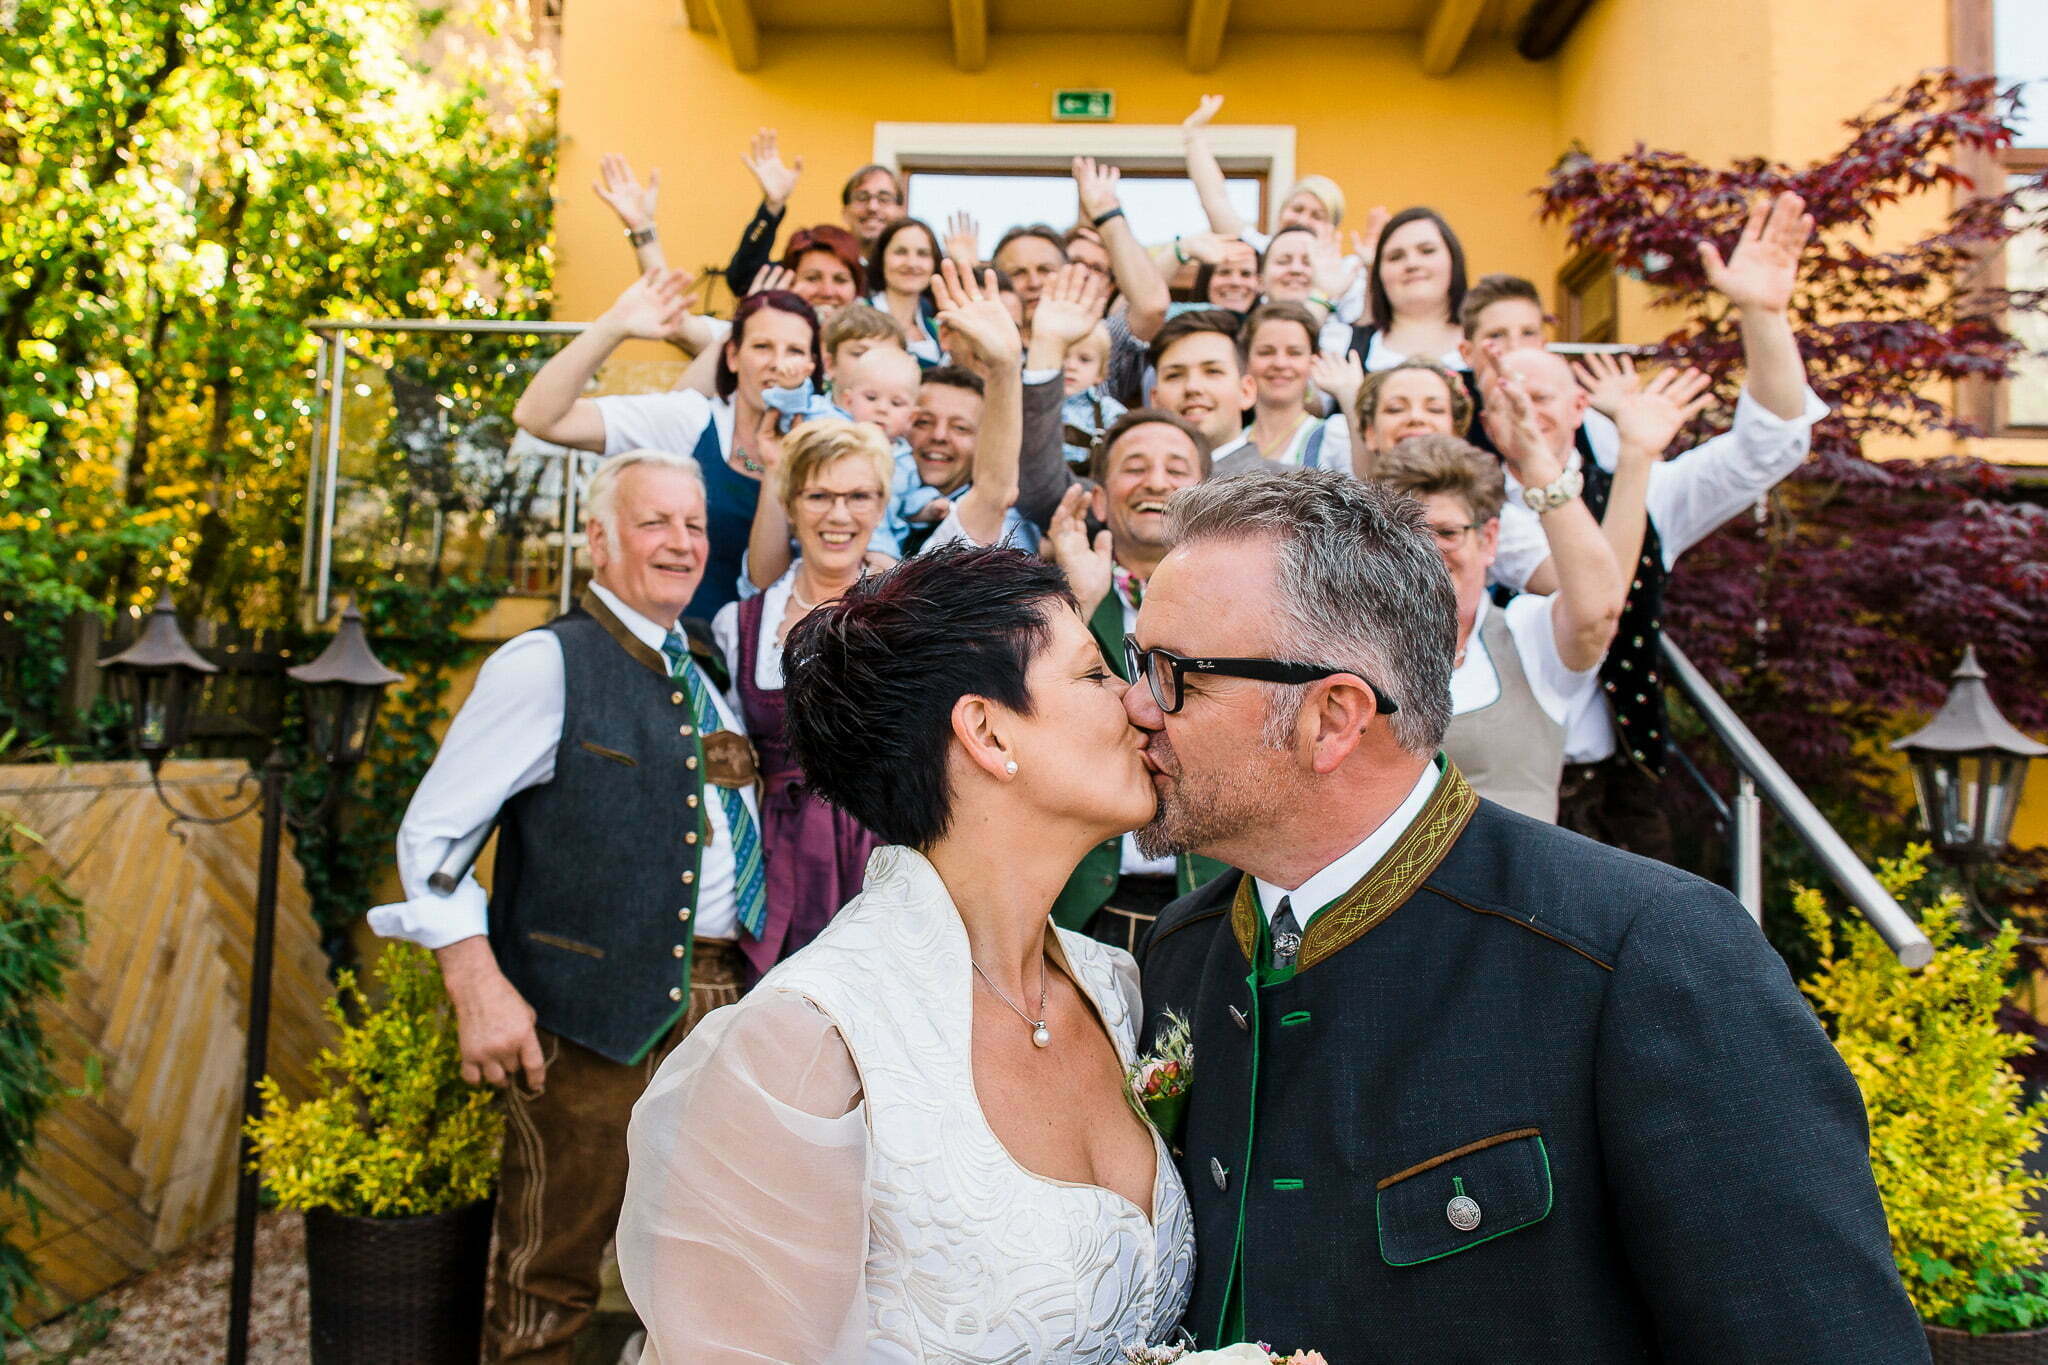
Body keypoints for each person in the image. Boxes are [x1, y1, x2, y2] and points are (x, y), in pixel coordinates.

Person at [1128, 467, 1926, 1359]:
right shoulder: (1183, 948)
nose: (1134, 708)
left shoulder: (1638, 953)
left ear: (1333, 717)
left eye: (1172, 677)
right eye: (1137, 664)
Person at [617, 544, 1195, 1361]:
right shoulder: (811, 1049)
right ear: (988, 731)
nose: (1142, 704)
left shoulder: (1115, 989)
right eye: (1096, 674)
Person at [372, 451, 763, 1363]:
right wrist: (476, 982)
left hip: (717, 1009)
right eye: (655, 521)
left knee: (708, 1272)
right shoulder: (543, 662)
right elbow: (430, 844)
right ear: (597, 537)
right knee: (549, 1275)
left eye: (695, 525)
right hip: (586, 1022)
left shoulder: (700, 670)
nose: (681, 542)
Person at [1487, 192, 1826, 862]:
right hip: (1500, 791)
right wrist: (1636, 455)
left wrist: (1763, 315)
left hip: (1623, 786)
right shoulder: (1474, 509)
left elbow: (1771, 446)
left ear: (1581, 404)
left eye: (1541, 395)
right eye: (1504, 396)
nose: (1524, 410)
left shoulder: (1646, 487)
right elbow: (1584, 590)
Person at [513, 275, 820, 622]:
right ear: (732, 356)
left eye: (794, 350)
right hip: (679, 651)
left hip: (775, 658)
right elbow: (539, 417)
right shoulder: (690, 419)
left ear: (812, 365)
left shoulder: (826, 439)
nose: (778, 363)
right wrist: (613, 326)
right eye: (762, 347)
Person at [1039, 410, 1231, 950]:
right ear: (1098, 500)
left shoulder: (1249, 607)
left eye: (1177, 468)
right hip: (1080, 906)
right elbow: (1033, 725)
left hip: (1218, 899)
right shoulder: (1053, 600)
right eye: (1135, 467)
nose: (1155, 482)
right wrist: (1076, 602)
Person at [1372, 430, 1623, 820]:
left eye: (1447, 533)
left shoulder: (1528, 633)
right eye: (1410, 534)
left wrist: (1538, 463)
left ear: (1488, 540)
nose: (1428, 550)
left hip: (1512, 879)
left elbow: (1598, 610)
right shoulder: (1352, 642)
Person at [714, 419, 889, 975]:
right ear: (789, 506)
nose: (839, 516)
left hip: (886, 856)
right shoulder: (738, 624)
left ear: (881, 505)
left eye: (857, 496)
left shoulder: (912, 618)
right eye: (819, 496)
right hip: (773, 861)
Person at [723, 128, 903, 297]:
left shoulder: (914, 273)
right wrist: (772, 207)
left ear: (900, 211)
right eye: (862, 197)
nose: (872, 207)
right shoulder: (818, 261)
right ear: (845, 212)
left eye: (884, 198)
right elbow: (743, 278)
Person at [1345, 206, 1469, 372]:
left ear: (1453, 259)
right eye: (1395, 257)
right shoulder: (1347, 344)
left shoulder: (1488, 337)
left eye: (1427, 251)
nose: (1412, 264)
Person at [1220, 301, 1336, 471]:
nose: (1280, 363)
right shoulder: (1232, 442)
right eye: (1266, 352)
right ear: (1245, 361)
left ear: (1312, 361)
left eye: (1294, 353)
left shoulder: (1334, 437)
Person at [1147, 309, 1256, 458]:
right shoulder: (1125, 481)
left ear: (1246, 391)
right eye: (1174, 375)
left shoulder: (1283, 481)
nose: (1192, 387)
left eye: (1213, 371)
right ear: (1155, 399)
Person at [867, 217, 945, 365]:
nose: (912, 263)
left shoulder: (937, 329)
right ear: (881, 258)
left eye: (922, 254)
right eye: (900, 252)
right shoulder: (858, 315)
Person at [1060, 321, 1127, 469]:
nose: (1071, 366)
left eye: (1084, 359)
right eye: (1062, 356)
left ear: (1100, 373)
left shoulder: (1110, 412)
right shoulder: (1032, 403)